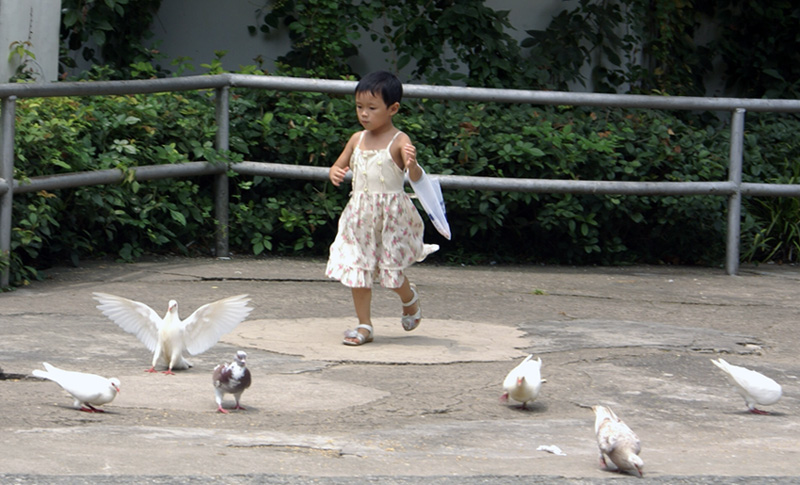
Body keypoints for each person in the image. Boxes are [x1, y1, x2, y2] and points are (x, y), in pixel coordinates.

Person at [325, 70, 438, 346]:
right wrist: (336, 173)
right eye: (359, 107)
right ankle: (364, 325)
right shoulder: (356, 139)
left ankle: (409, 298)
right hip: (360, 215)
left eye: (372, 108)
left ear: (393, 109)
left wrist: (412, 164)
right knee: (358, 267)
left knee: (391, 272)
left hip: (392, 216)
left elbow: (416, 177)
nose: (364, 114)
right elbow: (339, 165)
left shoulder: (399, 140)